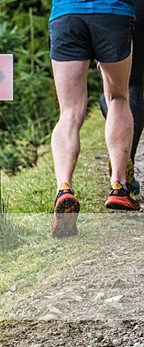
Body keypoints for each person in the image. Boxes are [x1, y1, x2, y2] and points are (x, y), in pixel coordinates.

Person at [49, 0, 140, 239]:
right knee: (118, 97)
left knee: (69, 112)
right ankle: (118, 186)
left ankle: (64, 188)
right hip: (113, 13)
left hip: (67, 14)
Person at [100, 0, 144, 202]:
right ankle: (125, 168)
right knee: (132, 85)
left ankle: (122, 165)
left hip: (103, 9)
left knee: (114, 90)